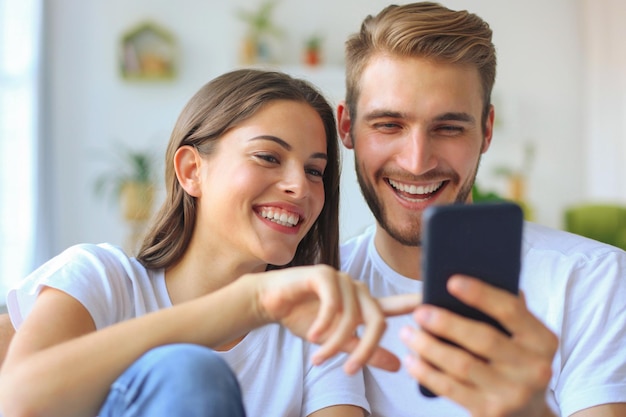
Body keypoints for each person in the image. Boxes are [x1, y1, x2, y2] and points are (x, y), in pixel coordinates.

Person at [0, 69, 419, 417]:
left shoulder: (310, 330)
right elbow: (20, 401)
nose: (299, 186)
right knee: (188, 373)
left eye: (315, 171)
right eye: (268, 157)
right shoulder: (100, 279)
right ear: (191, 170)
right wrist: (247, 304)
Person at [337, 2, 626, 417]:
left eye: (449, 127)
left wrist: (530, 411)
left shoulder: (591, 281)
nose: (417, 162)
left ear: (486, 131)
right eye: (388, 125)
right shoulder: (319, 291)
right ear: (346, 127)